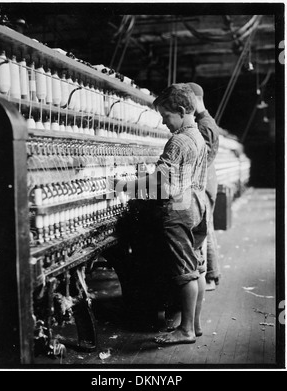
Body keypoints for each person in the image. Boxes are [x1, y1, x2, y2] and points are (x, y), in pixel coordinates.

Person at [113, 83, 208, 344]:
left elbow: (159, 183)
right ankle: (195, 325)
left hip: (178, 209)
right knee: (196, 267)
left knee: (184, 271)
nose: (165, 123)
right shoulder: (198, 136)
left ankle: (185, 330)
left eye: (166, 116)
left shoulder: (177, 141)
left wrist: (123, 186)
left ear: (180, 110)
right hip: (197, 204)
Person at [187, 82, 221, 291]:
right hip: (207, 182)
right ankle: (212, 275)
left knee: (204, 231)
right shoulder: (204, 121)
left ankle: (209, 277)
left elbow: (202, 157)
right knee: (207, 230)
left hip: (204, 184)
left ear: (194, 99)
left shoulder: (205, 124)